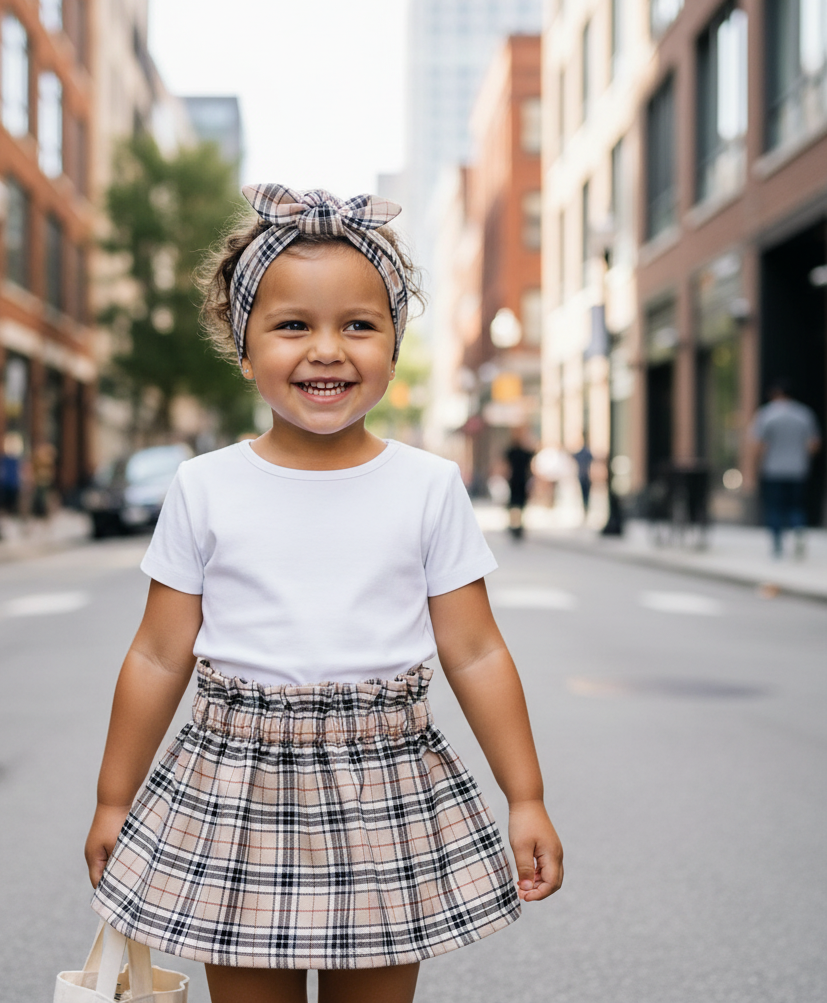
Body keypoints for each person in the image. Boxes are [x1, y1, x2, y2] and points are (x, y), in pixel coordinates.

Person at [84, 185, 562, 1003]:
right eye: (293, 325)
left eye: (359, 325)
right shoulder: (204, 488)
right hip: (237, 790)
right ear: (244, 347)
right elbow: (159, 654)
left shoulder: (428, 487)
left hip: (386, 788)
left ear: (393, 343)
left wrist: (527, 796)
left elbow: (476, 650)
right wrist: (112, 798)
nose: (327, 349)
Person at [750, 379, 821, 558]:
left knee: (775, 507)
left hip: (773, 469)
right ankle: (798, 532)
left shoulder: (766, 414)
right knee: (796, 505)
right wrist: (800, 457)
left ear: (774, 395)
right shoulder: (804, 414)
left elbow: (758, 444)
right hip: (798, 470)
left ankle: (777, 546)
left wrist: (755, 466)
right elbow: (814, 444)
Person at [505, 431, 534, 540]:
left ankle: (515, 524)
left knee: (515, 504)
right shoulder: (522, 453)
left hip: (515, 480)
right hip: (521, 481)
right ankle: (517, 524)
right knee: (519, 504)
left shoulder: (512, 452)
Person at [573, 441, 593, 515]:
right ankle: (585, 507)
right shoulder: (584, 453)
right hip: (584, 475)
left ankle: (586, 507)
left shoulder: (584, 453)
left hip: (584, 475)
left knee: (585, 493)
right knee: (585, 493)